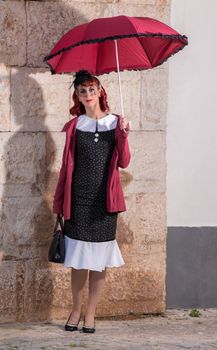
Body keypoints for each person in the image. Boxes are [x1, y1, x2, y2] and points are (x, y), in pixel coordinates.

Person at [52, 70, 131, 333]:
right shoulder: (75, 126)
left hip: (104, 202)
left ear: (100, 91)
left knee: (98, 259)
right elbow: (65, 168)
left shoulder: (116, 123)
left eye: (91, 89)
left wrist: (123, 135)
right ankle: (75, 309)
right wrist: (59, 202)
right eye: (82, 91)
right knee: (78, 260)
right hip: (79, 201)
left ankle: (91, 314)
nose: (87, 95)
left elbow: (124, 161)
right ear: (78, 95)